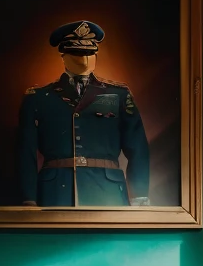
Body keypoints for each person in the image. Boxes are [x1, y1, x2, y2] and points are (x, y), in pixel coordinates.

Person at [16, 20, 149, 207]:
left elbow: (138, 147)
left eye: (89, 53)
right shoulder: (38, 98)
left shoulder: (117, 94)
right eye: (77, 53)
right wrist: (28, 198)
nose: (84, 58)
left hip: (107, 192)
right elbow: (26, 153)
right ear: (63, 56)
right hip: (55, 193)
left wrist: (140, 195)